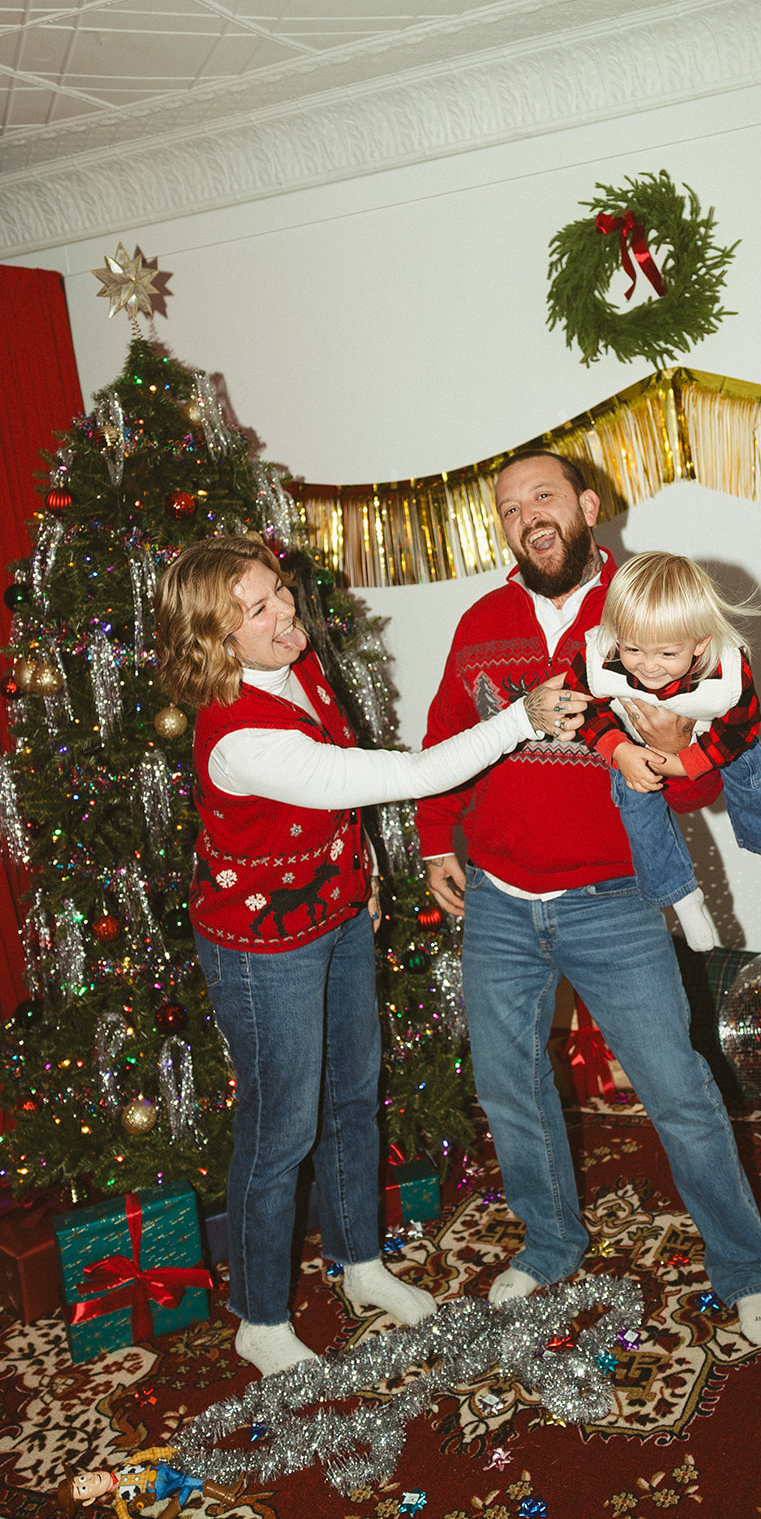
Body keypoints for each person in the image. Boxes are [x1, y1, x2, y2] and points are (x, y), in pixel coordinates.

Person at [154, 533, 579, 1378]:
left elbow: (339, 803)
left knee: (353, 1097)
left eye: (279, 593)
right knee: (280, 1130)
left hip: (337, 912)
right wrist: (519, 717)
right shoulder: (242, 736)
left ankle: (358, 1263)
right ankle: (259, 1317)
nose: (285, 615)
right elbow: (407, 775)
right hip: (261, 947)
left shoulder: (296, 670)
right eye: (258, 610)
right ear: (214, 639)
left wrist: (366, 878)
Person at [416, 451, 761, 1347]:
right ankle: (550, 1243)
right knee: (509, 1089)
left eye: (543, 497)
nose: (527, 517)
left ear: (588, 505)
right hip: (499, 902)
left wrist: (670, 745)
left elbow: (702, 782)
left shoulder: (650, 612)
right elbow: (444, 739)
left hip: (612, 900)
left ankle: (744, 1267)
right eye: (510, 508)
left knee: (679, 1089)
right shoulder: (480, 622)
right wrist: (435, 837)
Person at [562, 550, 761, 951]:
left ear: (700, 643)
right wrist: (618, 750)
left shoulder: (726, 671)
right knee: (635, 807)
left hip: (709, 735)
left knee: (749, 762)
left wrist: (685, 760)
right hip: (634, 742)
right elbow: (581, 707)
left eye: (667, 654)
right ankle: (684, 899)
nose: (648, 667)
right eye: (633, 649)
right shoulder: (599, 656)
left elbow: (740, 728)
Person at [55, 1449, 243, 1519]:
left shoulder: (125, 1466)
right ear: (89, 1501)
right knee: (185, 1479)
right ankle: (226, 1494)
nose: (89, 1479)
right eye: (84, 1488)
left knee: (185, 1483)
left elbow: (146, 1455)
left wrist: (169, 1452)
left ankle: (224, 1493)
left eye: (81, 1478)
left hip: (162, 1470)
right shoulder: (120, 1498)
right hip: (157, 1489)